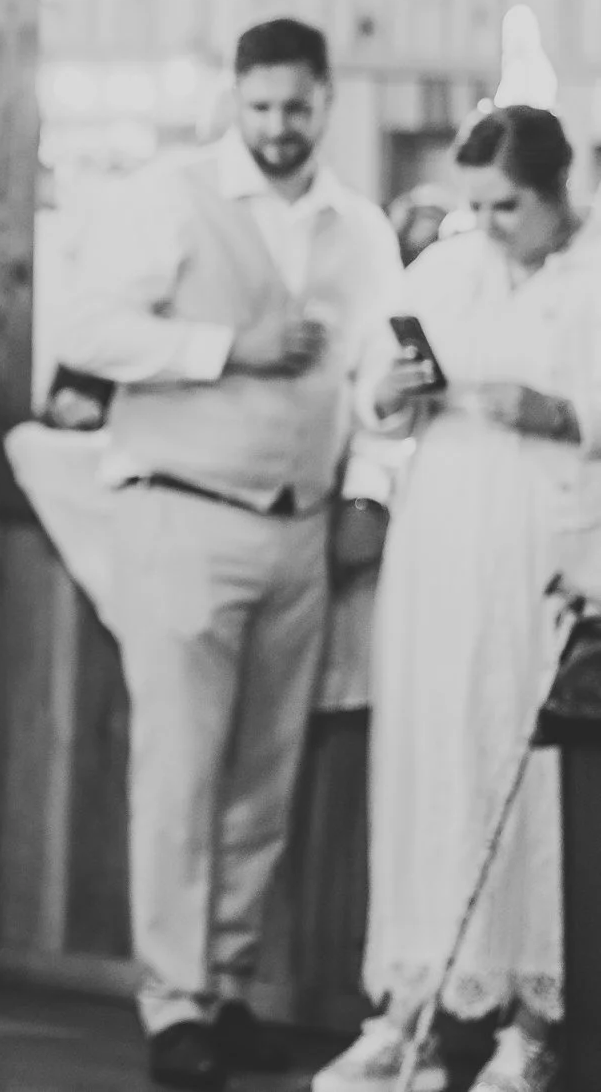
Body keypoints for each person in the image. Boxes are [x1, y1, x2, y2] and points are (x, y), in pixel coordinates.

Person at [60, 18, 403, 1092]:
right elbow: (88, 328)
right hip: (183, 513)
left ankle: (231, 986)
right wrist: (223, 348)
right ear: (235, 98)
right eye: (258, 105)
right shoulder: (171, 194)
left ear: (326, 98)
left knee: (264, 777)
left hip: (302, 527)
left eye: (295, 106)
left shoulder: (363, 226)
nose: (276, 126)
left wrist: (365, 491)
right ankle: (172, 1004)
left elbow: (381, 378)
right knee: (178, 774)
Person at [313, 106, 596, 1092]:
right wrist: (389, 391)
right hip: (439, 538)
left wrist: (558, 409)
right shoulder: (440, 268)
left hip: (542, 537)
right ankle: (413, 1006)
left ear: (560, 188)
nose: (486, 221)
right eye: (473, 203)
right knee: (430, 755)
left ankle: (531, 1014)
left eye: (506, 204)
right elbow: (369, 399)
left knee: (527, 763)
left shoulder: (594, 274)